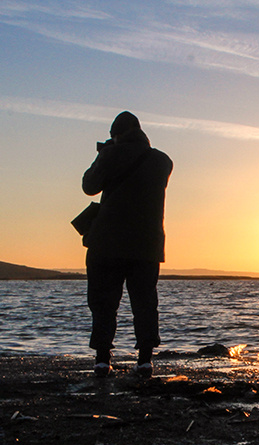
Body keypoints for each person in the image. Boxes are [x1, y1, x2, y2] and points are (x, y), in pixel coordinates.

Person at [82, 111, 173, 378]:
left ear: (116, 135)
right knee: (145, 303)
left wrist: (104, 153)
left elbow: (89, 185)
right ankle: (145, 360)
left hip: (107, 244)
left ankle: (102, 360)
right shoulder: (162, 161)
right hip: (147, 247)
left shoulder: (110, 155)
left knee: (103, 304)